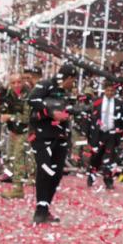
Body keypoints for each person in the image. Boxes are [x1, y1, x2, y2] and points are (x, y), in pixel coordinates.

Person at [28, 69, 76, 224]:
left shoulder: (66, 93)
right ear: (68, 78)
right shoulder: (45, 84)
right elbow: (32, 100)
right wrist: (51, 112)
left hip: (60, 136)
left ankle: (45, 208)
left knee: (56, 174)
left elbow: (68, 110)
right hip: (42, 136)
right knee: (45, 171)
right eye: (72, 80)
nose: (73, 84)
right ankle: (40, 210)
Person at [0, 71, 33, 199]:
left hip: (27, 130)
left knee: (19, 158)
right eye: (13, 83)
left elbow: (26, 118)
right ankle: (17, 184)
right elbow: (6, 109)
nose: (16, 85)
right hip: (14, 130)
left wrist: (10, 117)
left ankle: (18, 188)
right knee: (12, 157)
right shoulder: (9, 94)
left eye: (19, 82)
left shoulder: (28, 95)